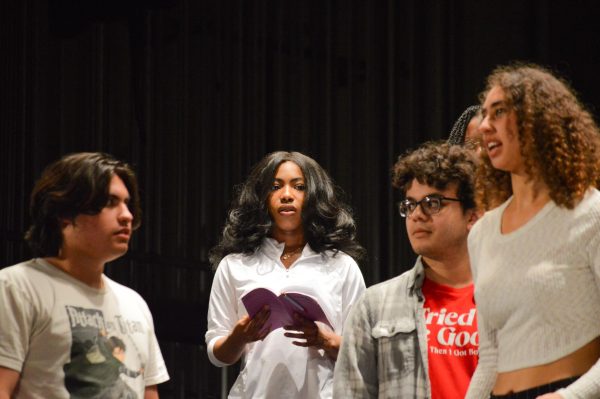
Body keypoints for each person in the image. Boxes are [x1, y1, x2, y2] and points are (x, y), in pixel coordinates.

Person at [465, 63, 600, 399]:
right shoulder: (481, 235)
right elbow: (490, 357)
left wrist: (572, 396)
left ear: (539, 121)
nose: (484, 127)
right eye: (484, 115)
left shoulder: (591, 214)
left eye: (499, 113)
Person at [0, 152, 169, 399]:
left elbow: (148, 393)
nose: (127, 216)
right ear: (65, 214)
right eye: (111, 202)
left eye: (127, 203)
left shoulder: (135, 304)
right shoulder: (17, 287)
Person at [205, 151, 366, 399]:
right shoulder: (234, 265)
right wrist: (239, 338)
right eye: (275, 186)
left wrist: (325, 340)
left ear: (314, 195)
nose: (287, 195)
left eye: (299, 187)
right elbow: (217, 355)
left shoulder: (342, 266)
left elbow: (364, 352)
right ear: (262, 197)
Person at [334, 142, 479, 398]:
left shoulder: (506, 300)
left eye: (433, 203)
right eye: (410, 205)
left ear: (472, 215)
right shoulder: (374, 306)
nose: (417, 215)